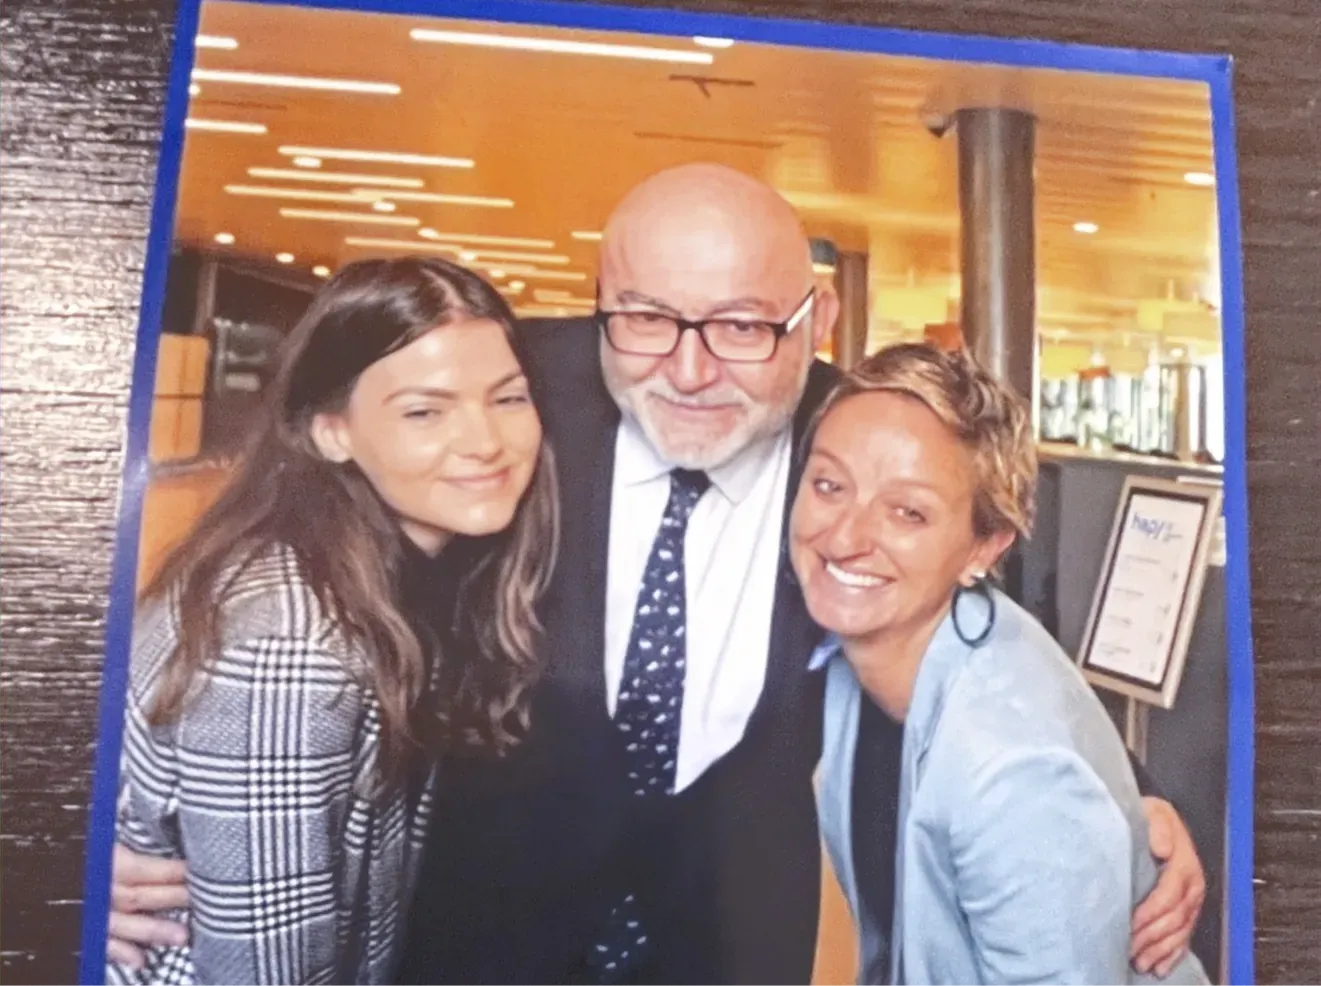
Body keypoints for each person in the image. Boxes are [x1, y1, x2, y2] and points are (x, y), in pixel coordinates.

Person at [106, 165, 1204, 986]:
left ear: (811, 319)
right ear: (600, 301)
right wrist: (106, 812)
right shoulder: (502, 399)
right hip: (472, 927)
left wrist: (1119, 808)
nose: (687, 369)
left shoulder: (856, 442)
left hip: (725, 936)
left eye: (739, 326)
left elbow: (970, 611)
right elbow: (255, 595)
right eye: (643, 318)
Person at [105, 256, 559, 985]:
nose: (485, 442)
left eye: (507, 399)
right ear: (329, 432)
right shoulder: (285, 642)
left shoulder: (386, 574)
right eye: (424, 411)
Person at [792, 343, 1211, 985]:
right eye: (829, 485)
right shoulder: (885, 648)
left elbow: (1035, 760)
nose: (845, 537)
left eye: (909, 512)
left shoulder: (1011, 778)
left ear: (985, 546)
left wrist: (1125, 814)